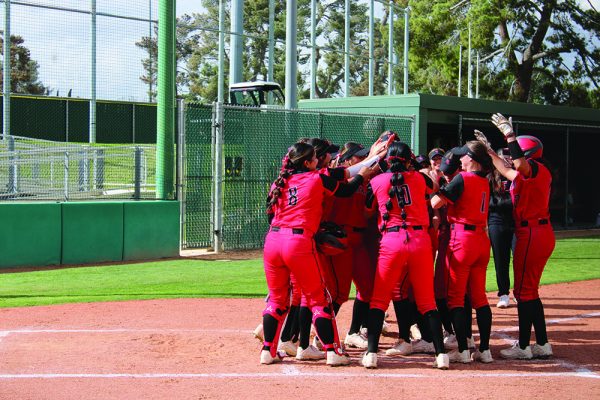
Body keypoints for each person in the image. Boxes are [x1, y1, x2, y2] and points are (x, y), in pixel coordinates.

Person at [260, 141, 375, 366]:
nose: (318, 161)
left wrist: (370, 159)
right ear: (307, 162)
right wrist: (363, 175)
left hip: (273, 241)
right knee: (318, 298)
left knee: (276, 300)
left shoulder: (279, 182)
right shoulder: (315, 178)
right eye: (314, 158)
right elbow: (346, 188)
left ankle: (268, 350)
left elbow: (343, 172)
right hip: (298, 241)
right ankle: (333, 351)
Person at [361, 141, 449, 370]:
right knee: (427, 301)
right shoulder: (419, 178)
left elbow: (368, 208)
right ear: (408, 159)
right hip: (419, 240)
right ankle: (441, 355)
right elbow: (434, 186)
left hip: (391, 241)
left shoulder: (376, 181)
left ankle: (371, 353)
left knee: (379, 300)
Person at [487, 114, 556, 360]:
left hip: (532, 233)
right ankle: (543, 344)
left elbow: (517, 164)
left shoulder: (534, 168)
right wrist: (489, 151)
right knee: (530, 291)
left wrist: (509, 134)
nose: (511, 157)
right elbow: (506, 170)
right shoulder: (531, 173)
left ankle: (524, 346)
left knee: (524, 292)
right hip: (538, 231)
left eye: (516, 152)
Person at [431, 140, 494, 364]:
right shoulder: (485, 180)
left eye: (464, 156)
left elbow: (435, 203)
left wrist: (433, 185)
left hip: (462, 240)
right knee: (479, 297)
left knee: (456, 298)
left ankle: (463, 351)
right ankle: (484, 350)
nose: (460, 159)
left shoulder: (463, 178)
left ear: (473, 159)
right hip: (480, 240)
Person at [489, 148, 515, 309]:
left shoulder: (517, 176)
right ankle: (504, 294)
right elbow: (489, 202)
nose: (508, 159)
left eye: (510, 156)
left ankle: (520, 292)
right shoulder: (491, 177)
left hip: (516, 222)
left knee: (519, 259)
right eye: (504, 156)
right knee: (501, 259)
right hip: (496, 222)